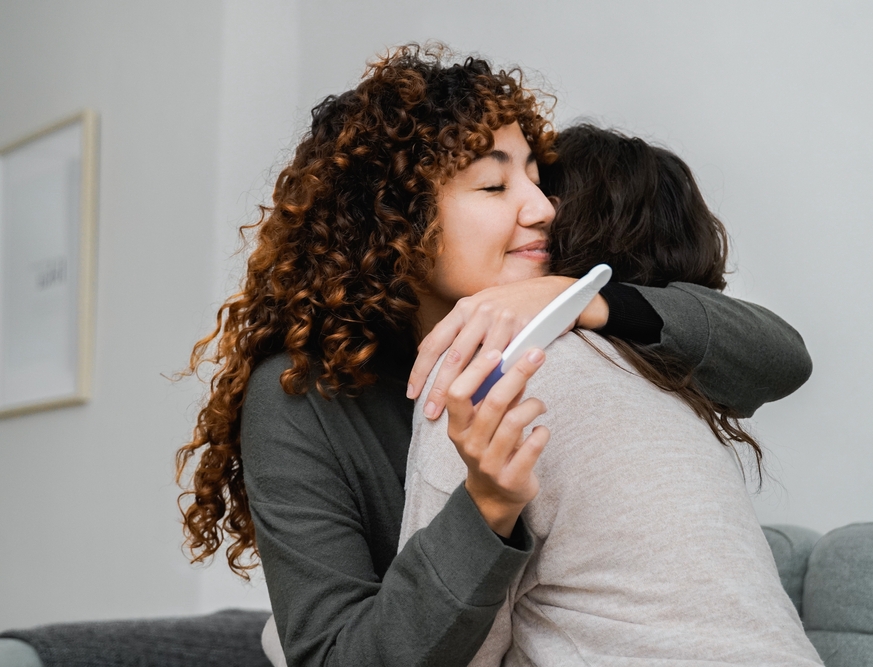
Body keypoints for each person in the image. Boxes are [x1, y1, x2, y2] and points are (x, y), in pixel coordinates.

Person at [176, 45, 811, 667]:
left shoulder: (554, 347)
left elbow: (779, 356)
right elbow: (330, 650)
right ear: (395, 221)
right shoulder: (299, 399)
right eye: (494, 185)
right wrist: (485, 508)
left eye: (536, 179)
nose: (542, 209)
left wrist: (577, 295)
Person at [399, 125, 822, 665]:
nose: (533, 210)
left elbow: (446, 649)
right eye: (498, 187)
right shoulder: (665, 383)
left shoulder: (493, 373)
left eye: (538, 190)